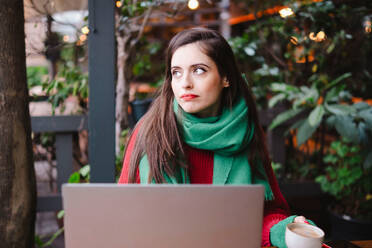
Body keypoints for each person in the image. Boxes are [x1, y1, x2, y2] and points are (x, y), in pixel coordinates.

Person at [118, 27, 311, 247]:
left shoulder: (243, 132)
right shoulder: (151, 131)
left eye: (199, 70)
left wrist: (283, 230)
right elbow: (126, 216)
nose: (185, 83)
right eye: (176, 72)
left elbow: (266, 212)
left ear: (226, 77)